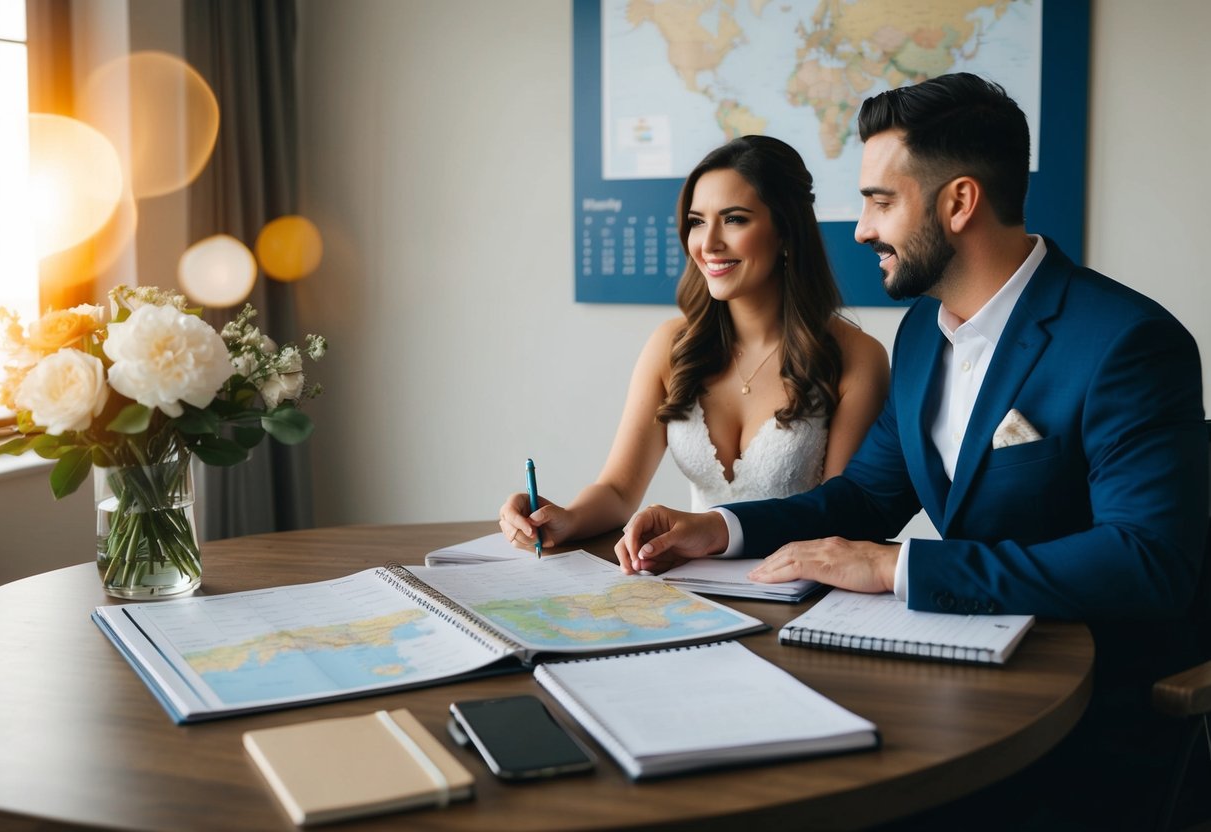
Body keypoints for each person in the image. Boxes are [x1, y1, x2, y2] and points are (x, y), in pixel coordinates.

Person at [616, 74, 1207, 828]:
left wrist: (897, 565)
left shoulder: (1124, 342)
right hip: (965, 683)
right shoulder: (923, 334)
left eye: (879, 200)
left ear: (958, 202)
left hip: (1088, 720)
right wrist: (721, 529)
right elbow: (863, 497)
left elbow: (1147, 562)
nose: (860, 228)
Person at [498, 136, 889, 550]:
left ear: (785, 230)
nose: (708, 243)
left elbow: (841, 517)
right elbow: (618, 491)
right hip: (695, 591)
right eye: (697, 221)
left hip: (803, 590)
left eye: (734, 219)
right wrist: (564, 519)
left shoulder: (858, 358)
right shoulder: (671, 345)